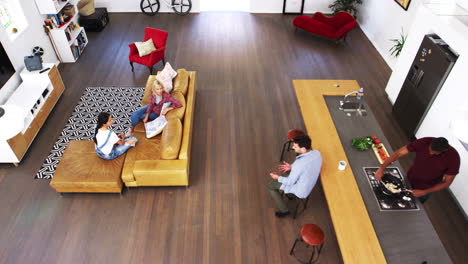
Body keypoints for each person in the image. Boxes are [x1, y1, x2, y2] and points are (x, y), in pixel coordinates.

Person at [375, 137, 460, 203]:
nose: (431, 153)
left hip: (426, 188)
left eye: (435, 153)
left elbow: (446, 183)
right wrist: (382, 168)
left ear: (444, 150)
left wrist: (424, 191)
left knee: (411, 209)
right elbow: (399, 153)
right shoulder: (424, 142)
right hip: (409, 179)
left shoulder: (453, 158)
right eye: (430, 150)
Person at [268, 134, 322, 218]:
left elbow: (290, 182)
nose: (293, 148)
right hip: (309, 184)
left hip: (301, 190)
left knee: (271, 186)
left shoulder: (299, 165)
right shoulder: (317, 153)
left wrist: (277, 177)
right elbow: (305, 167)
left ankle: (284, 210)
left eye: (295, 147)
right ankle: (290, 195)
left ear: (303, 149)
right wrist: (291, 167)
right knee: (287, 175)